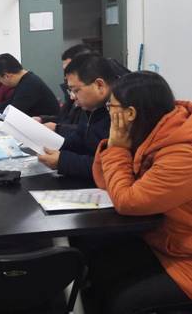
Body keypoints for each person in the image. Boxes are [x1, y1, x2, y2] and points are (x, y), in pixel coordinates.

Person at [82, 71, 192, 314]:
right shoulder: (152, 130)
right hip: (166, 242)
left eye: (111, 106)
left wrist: (116, 149)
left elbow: (128, 201)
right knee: (97, 261)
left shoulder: (183, 152)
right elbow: (105, 182)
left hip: (185, 259)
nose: (108, 112)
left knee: (124, 302)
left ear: (130, 113)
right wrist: (115, 146)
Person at [38, 54, 116, 180]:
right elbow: (80, 139)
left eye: (76, 90)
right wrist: (52, 146)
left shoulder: (121, 111)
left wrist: (63, 161)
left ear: (99, 85)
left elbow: (111, 166)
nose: (72, 97)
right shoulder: (92, 106)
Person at [0, 53, 59, 118]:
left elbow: (10, 114)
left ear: (7, 76)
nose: (0, 82)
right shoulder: (25, 80)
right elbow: (7, 105)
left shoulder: (29, 85)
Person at [36, 44, 94, 137]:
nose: (66, 76)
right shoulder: (71, 90)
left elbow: (88, 132)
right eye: (65, 71)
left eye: (70, 70)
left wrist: (58, 128)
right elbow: (63, 119)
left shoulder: (93, 98)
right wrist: (42, 119)